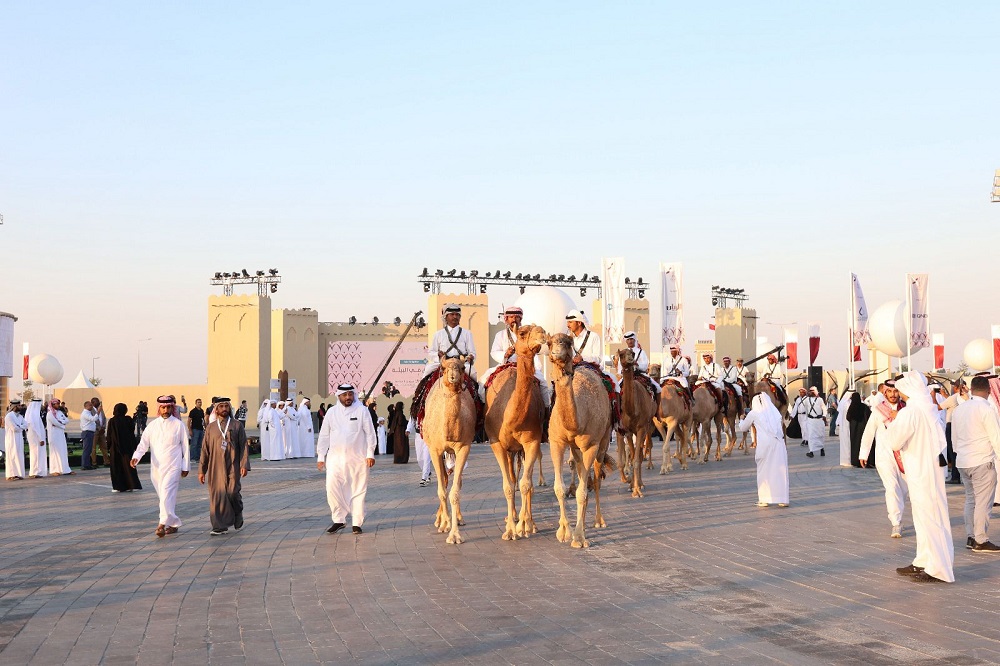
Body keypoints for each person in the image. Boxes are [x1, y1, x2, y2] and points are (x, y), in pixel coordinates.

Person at [882, 371, 954, 583]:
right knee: (925, 518)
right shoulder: (928, 408)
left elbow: (894, 441)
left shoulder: (911, 412)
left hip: (922, 470)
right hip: (927, 470)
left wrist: (891, 426)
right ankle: (923, 560)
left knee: (931, 518)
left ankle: (938, 569)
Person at [316, 384, 377, 535]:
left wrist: (370, 453)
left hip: (358, 459)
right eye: (345, 395)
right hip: (335, 460)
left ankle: (357, 522)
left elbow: (370, 433)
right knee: (332, 489)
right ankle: (339, 519)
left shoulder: (362, 410)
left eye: (350, 394)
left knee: (358, 490)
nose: (348, 397)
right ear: (339, 396)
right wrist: (321, 456)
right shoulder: (331, 412)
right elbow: (324, 435)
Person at [951, 375, 1000, 552]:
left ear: (971, 390)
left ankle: (971, 536)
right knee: (983, 502)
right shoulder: (987, 410)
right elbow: (996, 438)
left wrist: (961, 453)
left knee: (971, 500)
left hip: (963, 461)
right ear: (988, 390)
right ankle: (981, 539)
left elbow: (954, 440)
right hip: (982, 460)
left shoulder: (960, 409)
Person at [130, 395, 191, 537]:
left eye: (169, 407)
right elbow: (143, 444)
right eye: (163, 407)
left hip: (173, 466)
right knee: (164, 496)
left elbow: (185, 447)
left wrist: (185, 466)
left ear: (172, 407)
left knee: (166, 493)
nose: (166, 410)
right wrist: (136, 457)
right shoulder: (152, 426)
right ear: (159, 408)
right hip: (156, 468)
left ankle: (161, 524)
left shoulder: (178, 425)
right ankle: (173, 523)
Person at [860, 381, 909, 537]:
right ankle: (896, 522)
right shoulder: (878, 410)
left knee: (903, 489)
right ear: (885, 393)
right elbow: (869, 432)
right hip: (884, 455)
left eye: (896, 391)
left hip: (904, 455)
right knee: (892, 487)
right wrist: (864, 453)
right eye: (890, 392)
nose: (893, 395)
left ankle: (898, 515)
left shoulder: (907, 409)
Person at [198, 398, 250, 535]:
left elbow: (244, 446)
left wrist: (244, 464)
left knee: (232, 492)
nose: (224, 408)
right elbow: (205, 450)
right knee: (217, 495)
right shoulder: (210, 428)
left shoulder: (237, 425)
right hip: (215, 466)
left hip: (233, 464)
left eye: (226, 406)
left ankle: (238, 512)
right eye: (221, 406)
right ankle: (218, 526)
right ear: (216, 409)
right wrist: (201, 470)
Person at [738, 393, 789, 507]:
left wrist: (741, 419)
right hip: (779, 444)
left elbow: (743, 428)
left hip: (765, 445)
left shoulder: (754, 413)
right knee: (779, 471)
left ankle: (764, 499)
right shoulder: (775, 412)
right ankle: (783, 499)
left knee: (764, 471)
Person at [426, 304, 477, 378]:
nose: (455, 317)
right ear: (446, 317)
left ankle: (477, 390)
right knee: (428, 370)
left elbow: (472, 352)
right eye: (452, 314)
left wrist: (471, 357)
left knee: (473, 373)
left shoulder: (467, 333)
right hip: (443, 363)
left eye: (457, 315)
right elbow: (431, 353)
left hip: (461, 363)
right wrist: (438, 354)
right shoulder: (438, 334)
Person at [107, 403, 142, 492]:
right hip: (127, 447)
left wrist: (108, 446)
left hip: (115, 448)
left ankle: (118, 487)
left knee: (117, 467)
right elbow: (131, 431)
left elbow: (109, 435)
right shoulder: (128, 419)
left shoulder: (112, 421)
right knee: (128, 466)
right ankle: (131, 485)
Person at [941, 381, 969, 484]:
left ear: (956, 387)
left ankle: (955, 476)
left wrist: (933, 396)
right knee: (957, 450)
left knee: (952, 451)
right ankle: (958, 475)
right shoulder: (964, 397)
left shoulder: (953, 397)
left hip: (951, 425)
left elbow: (938, 407)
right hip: (961, 425)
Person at [46, 398, 72, 476]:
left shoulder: (60, 412)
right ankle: (54, 470)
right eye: (57, 404)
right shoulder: (49, 414)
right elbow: (55, 422)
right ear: (53, 405)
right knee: (55, 452)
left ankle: (65, 469)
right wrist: (61, 424)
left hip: (60, 434)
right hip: (53, 435)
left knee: (63, 451)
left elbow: (66, 420)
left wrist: (61, 423)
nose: (58, 405)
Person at [800, 387, 827, 458]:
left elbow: (824, 408)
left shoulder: (820, 400)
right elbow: (806, 409)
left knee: (820, 435)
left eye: (813, 391)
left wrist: (824, 416)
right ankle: (811, 451)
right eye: (810, 391)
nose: (811, 392)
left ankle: (822, 449)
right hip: (811, 421)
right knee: (811, 435)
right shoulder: (807, 400)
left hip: (819, 420)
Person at [24, 398, 47, 478]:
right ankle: (35, 472)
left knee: (35, 454)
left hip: (33, 436)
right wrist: (41, 439)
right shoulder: (34, 414)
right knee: (36, 453)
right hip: (36, 437)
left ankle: (36, 471)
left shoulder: (31, 413)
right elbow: (36, 427)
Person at [4, 399, 27, 480]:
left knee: (19, 455)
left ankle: (18, 473)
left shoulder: (20, 416)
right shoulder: (9, 416)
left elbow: (26, 425)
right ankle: (11, 475)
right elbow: (14, 428)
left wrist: (19, 426)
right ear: (14, 406)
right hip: (11, 439)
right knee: (12, 456)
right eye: (19, 405)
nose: (20, 407)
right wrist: (21, 426)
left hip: (19, 438)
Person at [408, 416, 432, 486]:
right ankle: (428, 472)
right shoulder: (415, 411)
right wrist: (408, 430)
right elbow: (411, 421)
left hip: (428, 435)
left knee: (426, 457)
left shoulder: (428, 409)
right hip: (418, 436)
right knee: (419, 459)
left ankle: (424, 478)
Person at [80, 401, 98, 470]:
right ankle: (84, 465)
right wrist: (98, 412)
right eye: (90, 405)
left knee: (89, 449)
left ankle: (87, 464)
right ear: (86, 406)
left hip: (90, 432)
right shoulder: (85, 413)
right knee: (86, 449)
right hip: (87, 432)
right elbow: (94, 419)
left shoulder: (89, 412)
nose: (92, 407)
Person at [187, 398, 206, 465]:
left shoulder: (201, 411)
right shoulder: (193, 411)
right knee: (194, 444)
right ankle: (192, 458)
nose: (200, 403)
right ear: (196, 403)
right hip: (195, 430)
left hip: (201, 430)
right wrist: (190, 430)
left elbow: (203, 421)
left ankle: (198, 458)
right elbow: (189, 421)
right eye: (198, 402)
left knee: (199, 445)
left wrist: (205, 428)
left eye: (200, 402)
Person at [91, 397, 108, 468]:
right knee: (93, 448)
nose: (98, 403)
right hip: (95, 431)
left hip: (102, 431)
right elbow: (92, 420)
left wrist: (103, 427)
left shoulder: (101, 409)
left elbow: (104, 418)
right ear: (93, 403)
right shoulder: (91, 410)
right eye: (97, 402)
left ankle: (107, 462)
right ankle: (94, 463)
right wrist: (98, 428)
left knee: (104, 447)